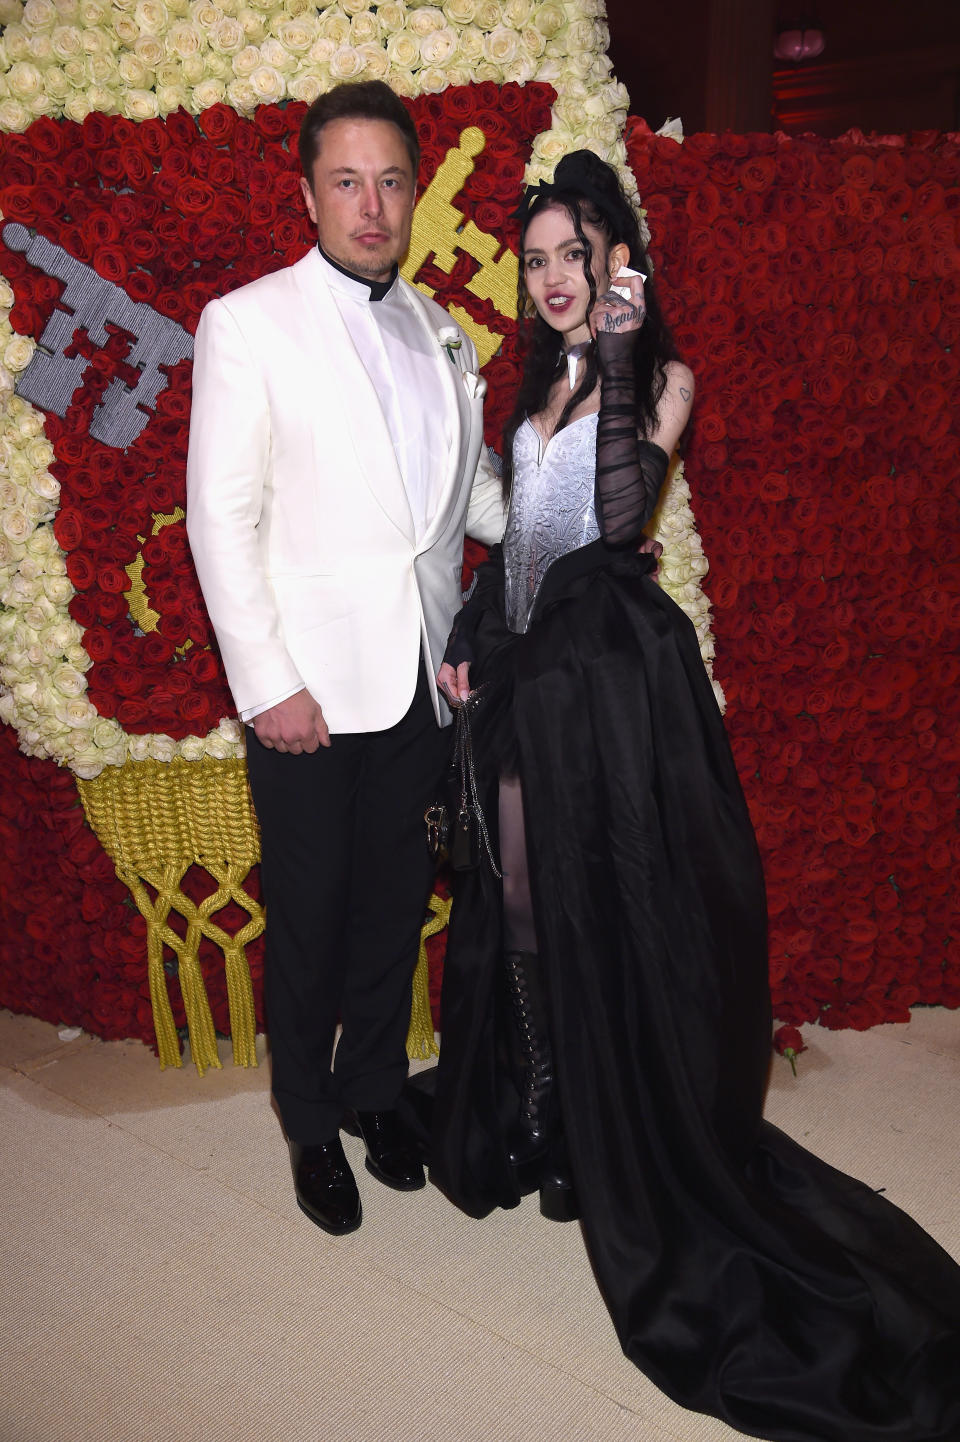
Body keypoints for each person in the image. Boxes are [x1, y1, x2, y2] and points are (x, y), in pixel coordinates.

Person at [410, 151, 960, 1442]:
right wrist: (476, 633)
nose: (553, 278)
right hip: (523, 685)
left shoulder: (658, 380)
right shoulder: (533, 385)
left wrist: (612, 351)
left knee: (601, 906)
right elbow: (523, 548)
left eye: (576, 254)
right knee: (527, 902)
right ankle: (554, 1121)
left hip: (607, 691)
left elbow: (608, 515)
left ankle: (617, 1139)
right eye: (538, 258)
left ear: (619, 262)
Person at [186, 80, 506, 1237]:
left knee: (390, 906)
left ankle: (375, 1089)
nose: (371, 205)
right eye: (346, 180)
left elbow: (466, 502)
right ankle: (307, 1117)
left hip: (421, 680)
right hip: (307, 692)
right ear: (309, 192)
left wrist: (572, 499)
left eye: (391, 182)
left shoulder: (439, 329)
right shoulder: (249, 321)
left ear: (414, 192)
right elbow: (220, 516)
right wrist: (267, 680)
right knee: (312, 912)